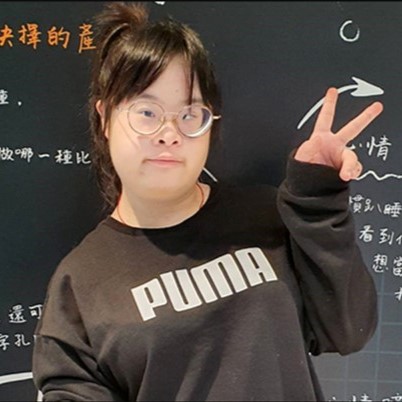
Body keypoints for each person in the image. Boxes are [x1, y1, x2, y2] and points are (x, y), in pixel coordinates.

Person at [32, 2, 383, 401]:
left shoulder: (265, 216)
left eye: (190, 114)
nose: (169, 133)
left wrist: (318, 196)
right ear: (104, 117)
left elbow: (349, 330)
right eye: (146, 112)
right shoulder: (80, 284)